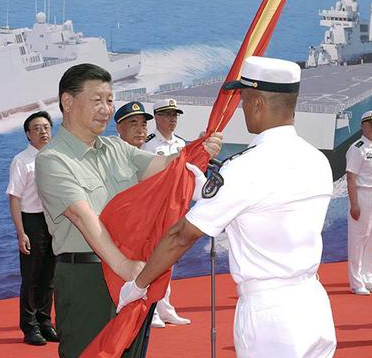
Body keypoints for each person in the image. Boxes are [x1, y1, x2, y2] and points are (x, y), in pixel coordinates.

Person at [118, 56, 337, 357]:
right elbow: (267, 208)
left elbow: (182, 234)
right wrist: (201, 189)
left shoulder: (245, 167)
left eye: (244, 99)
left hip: (270, 317)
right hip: (314, 304)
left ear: (258, 102)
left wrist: (138, 285)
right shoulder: (317, 160)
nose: (243, 108)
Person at [34, 63, 222, 358]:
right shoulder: (53, 159)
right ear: (67, 102)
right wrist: (125, 268)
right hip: (89, 277)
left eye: (109, 100)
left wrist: (199, 149)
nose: (106, 109)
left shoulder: (116, 148)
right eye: (97, 100)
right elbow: (84, 218)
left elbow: (164, 168)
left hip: (133, 273)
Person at [6, 111, 58, 346]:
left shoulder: (56, 156)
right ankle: (29, 326)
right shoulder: (21, 160)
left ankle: (45, 322)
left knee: (49, 276)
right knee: (32, 276)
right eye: (37, 128)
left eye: (46, 127)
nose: (43, 131)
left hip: (53, 220)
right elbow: (14, 197)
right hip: (31, 220)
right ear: (28, 134)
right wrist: (21, 232)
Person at [139, 98, 191, 328]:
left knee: (170, 258)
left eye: (175, 115)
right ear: (157, 117)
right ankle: (152, 309)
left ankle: (165, 307)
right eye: (168, 115)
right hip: (155, 208)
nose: (172, 119)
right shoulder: (148, 145)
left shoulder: (181, 143)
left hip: (176, 206)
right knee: (154, 258)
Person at [345, 110, 372, 295]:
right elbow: (350, 178)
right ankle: (356, 281)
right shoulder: (357, 147)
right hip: (362, 195)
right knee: (358, 239)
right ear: (362, 125)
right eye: (370, 123)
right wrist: (354, 203)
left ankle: (369, 278)